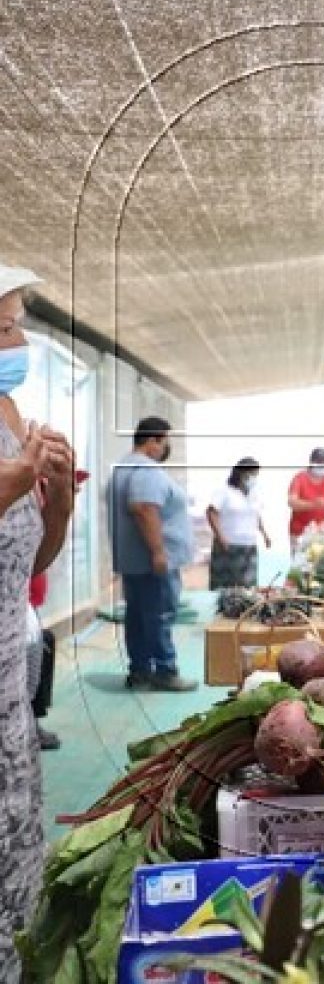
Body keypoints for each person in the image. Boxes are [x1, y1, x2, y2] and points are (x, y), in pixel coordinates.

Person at [0, 262, 75, 980]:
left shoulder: (10, 420)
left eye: (18, 323)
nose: (16, 339)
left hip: (9, 690)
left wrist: (55, 502)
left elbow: (27, 558)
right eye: (2, 326)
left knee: (18, 856)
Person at [108, 416, 196, 691]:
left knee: (137, 616)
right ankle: (165, 671)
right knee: (159, 615)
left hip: (134, 562)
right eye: (165, 441)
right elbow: (144, 507)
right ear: (154, 440)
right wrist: (158, 552)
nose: (166, 448)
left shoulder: (123, 467)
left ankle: (140, 670)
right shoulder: (145, 469)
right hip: (153, 563)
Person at [206, 458, 270, 589]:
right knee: (225, 586)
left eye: (256, 474)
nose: (253, 478)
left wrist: (264, 534)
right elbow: (211, 512)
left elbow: (256, 515)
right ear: (241, 473)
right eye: (251, 474)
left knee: (247, 587)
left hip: (249, 546)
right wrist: (220, 536)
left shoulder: (254, 495)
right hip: (229, 545)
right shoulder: (225, 492)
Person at [288, 447, 324, 551]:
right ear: (311, 461)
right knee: (299, 564)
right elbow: (292, 502)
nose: (321, 465)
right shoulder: (300, 478)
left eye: (323, 462)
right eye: (318, 461)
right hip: (300, 533)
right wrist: (312, 504)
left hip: (322, 533)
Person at [28, 572, 58, 750]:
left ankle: (33, 720)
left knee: (45, 641)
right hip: (14, 605)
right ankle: (29, 726)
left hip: (27, 604)